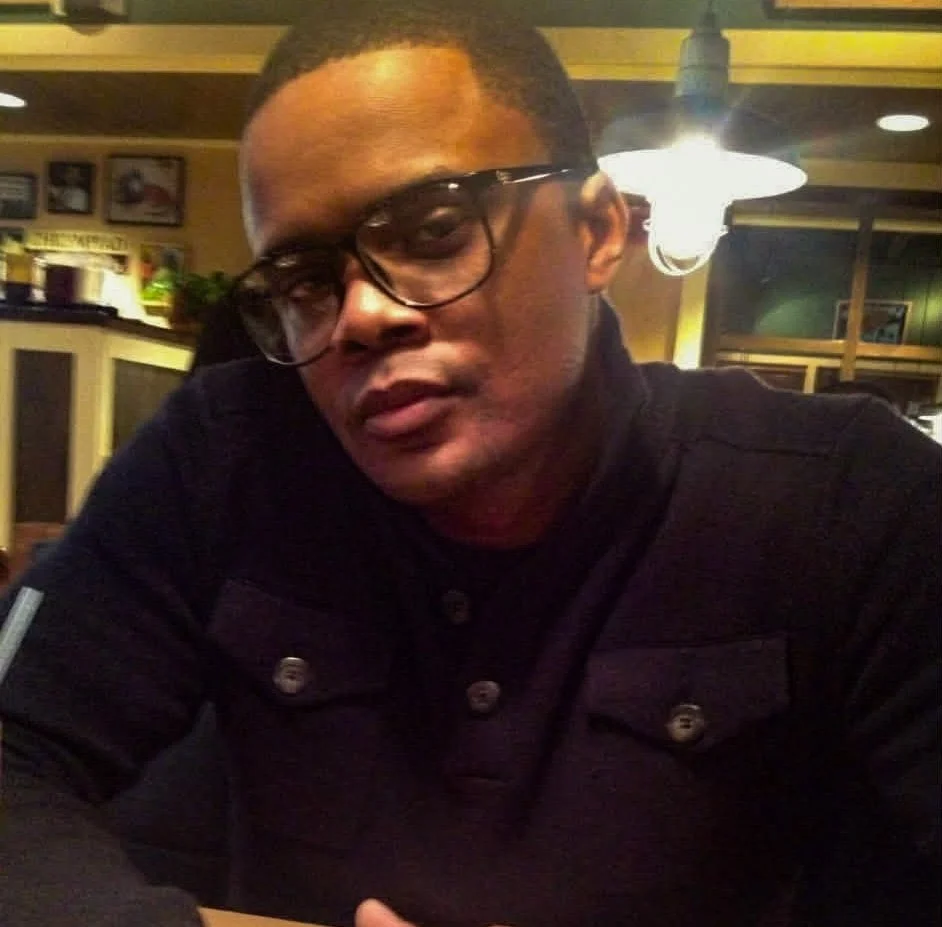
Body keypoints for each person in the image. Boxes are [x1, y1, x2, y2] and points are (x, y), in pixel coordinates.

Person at [0, 3, 938, 926]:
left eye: (434, 230)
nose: (362, 315)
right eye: (303, 282)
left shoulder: (848, 499)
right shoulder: (221, 457)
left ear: (599, 231)